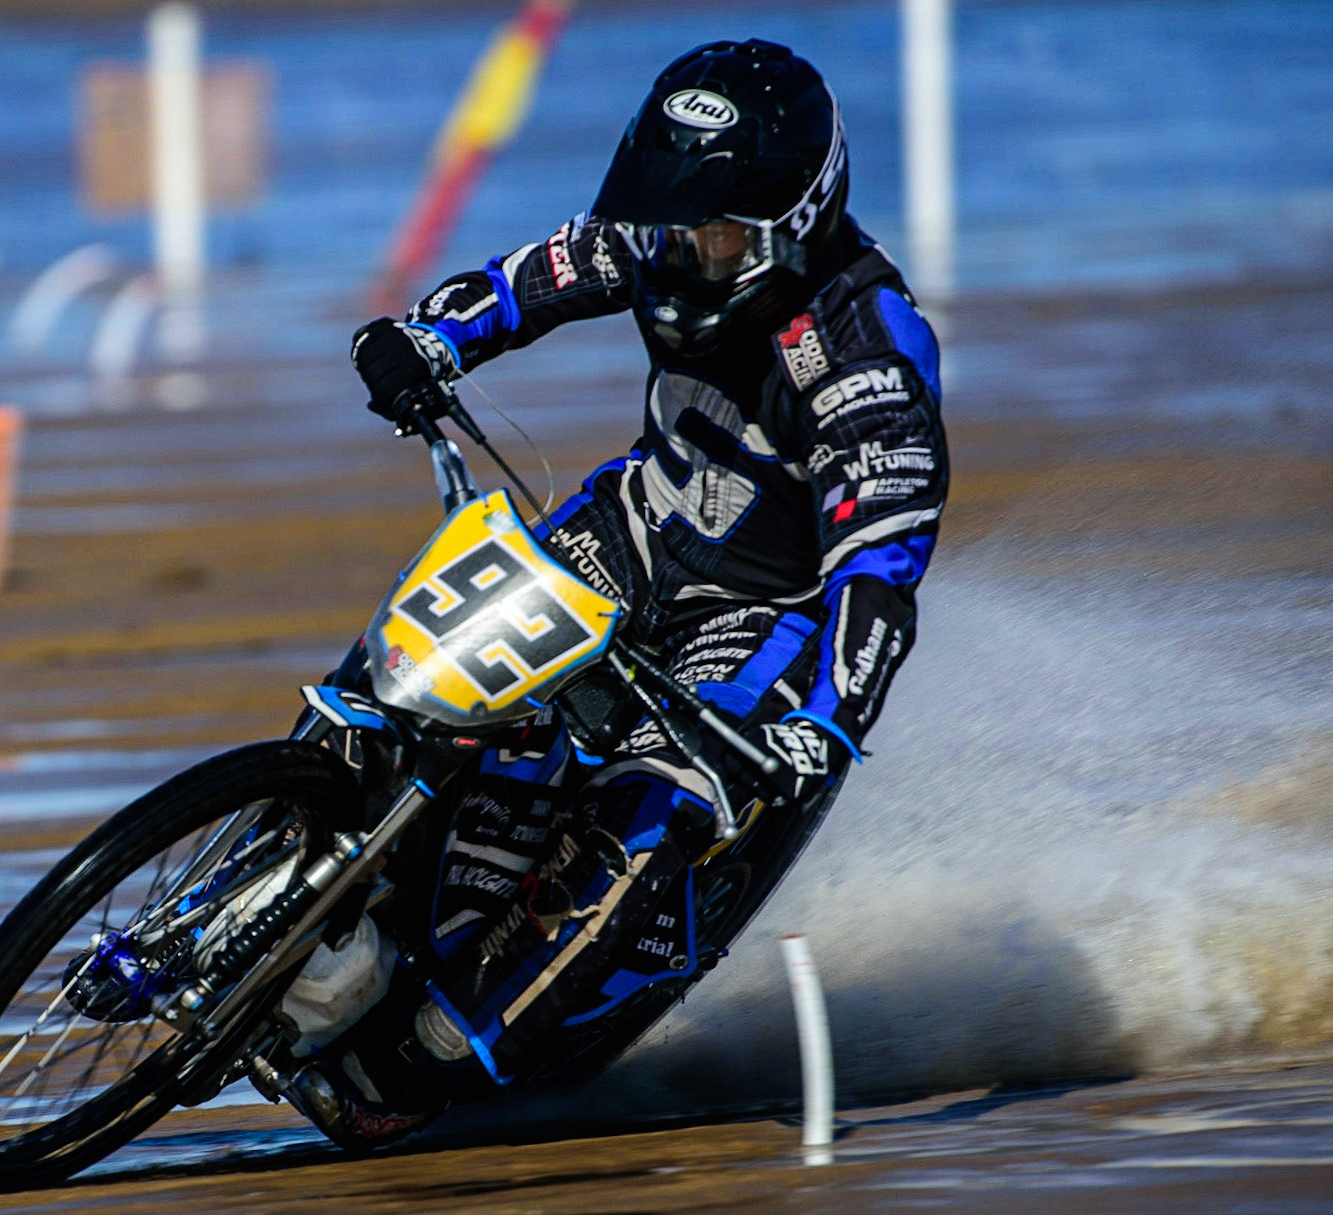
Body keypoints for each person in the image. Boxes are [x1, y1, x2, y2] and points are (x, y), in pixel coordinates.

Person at [288, 38, 949, 1149]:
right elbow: (531, 279)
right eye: (667, 224)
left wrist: (829, 720)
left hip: (763, 619)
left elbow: (879, 573)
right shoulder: (661, 235)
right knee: (412, 666)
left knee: (655, 807)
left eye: (712, 234)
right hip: (635, 529)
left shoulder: (862, 354)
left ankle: (439, 1044)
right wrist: (425, 341)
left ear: (793, 219)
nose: (680, 252)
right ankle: (278, 868)